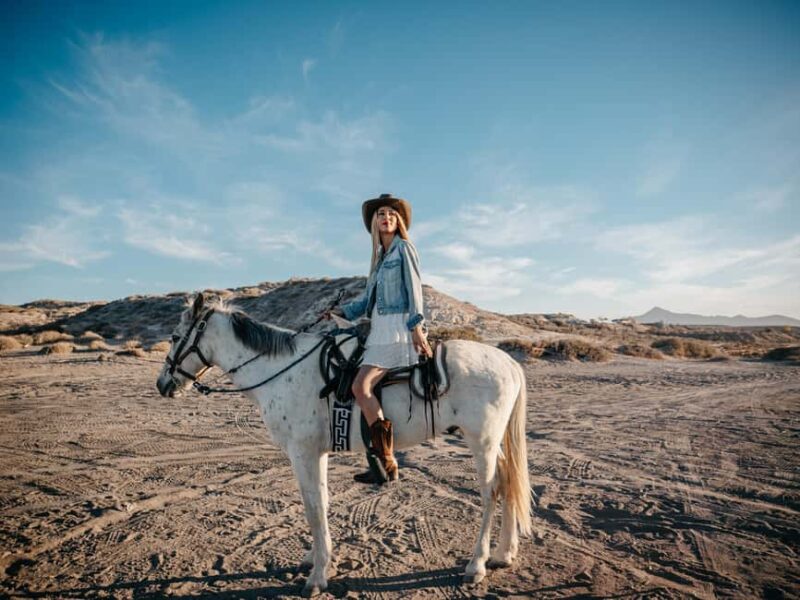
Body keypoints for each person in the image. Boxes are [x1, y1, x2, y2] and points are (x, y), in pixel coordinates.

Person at [325, 193, 433, 484]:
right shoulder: (380, 259)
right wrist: (340, 310)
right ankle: (377, 458)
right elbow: (365, 303)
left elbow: (415, 290)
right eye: (381, 214)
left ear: (399, 222)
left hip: (396, 330)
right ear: (374, 221)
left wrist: (416, 326)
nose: (386, 218)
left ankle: (387, 461)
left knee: (361, 386)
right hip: (378, 331)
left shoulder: (403, 250)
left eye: (391, 214)